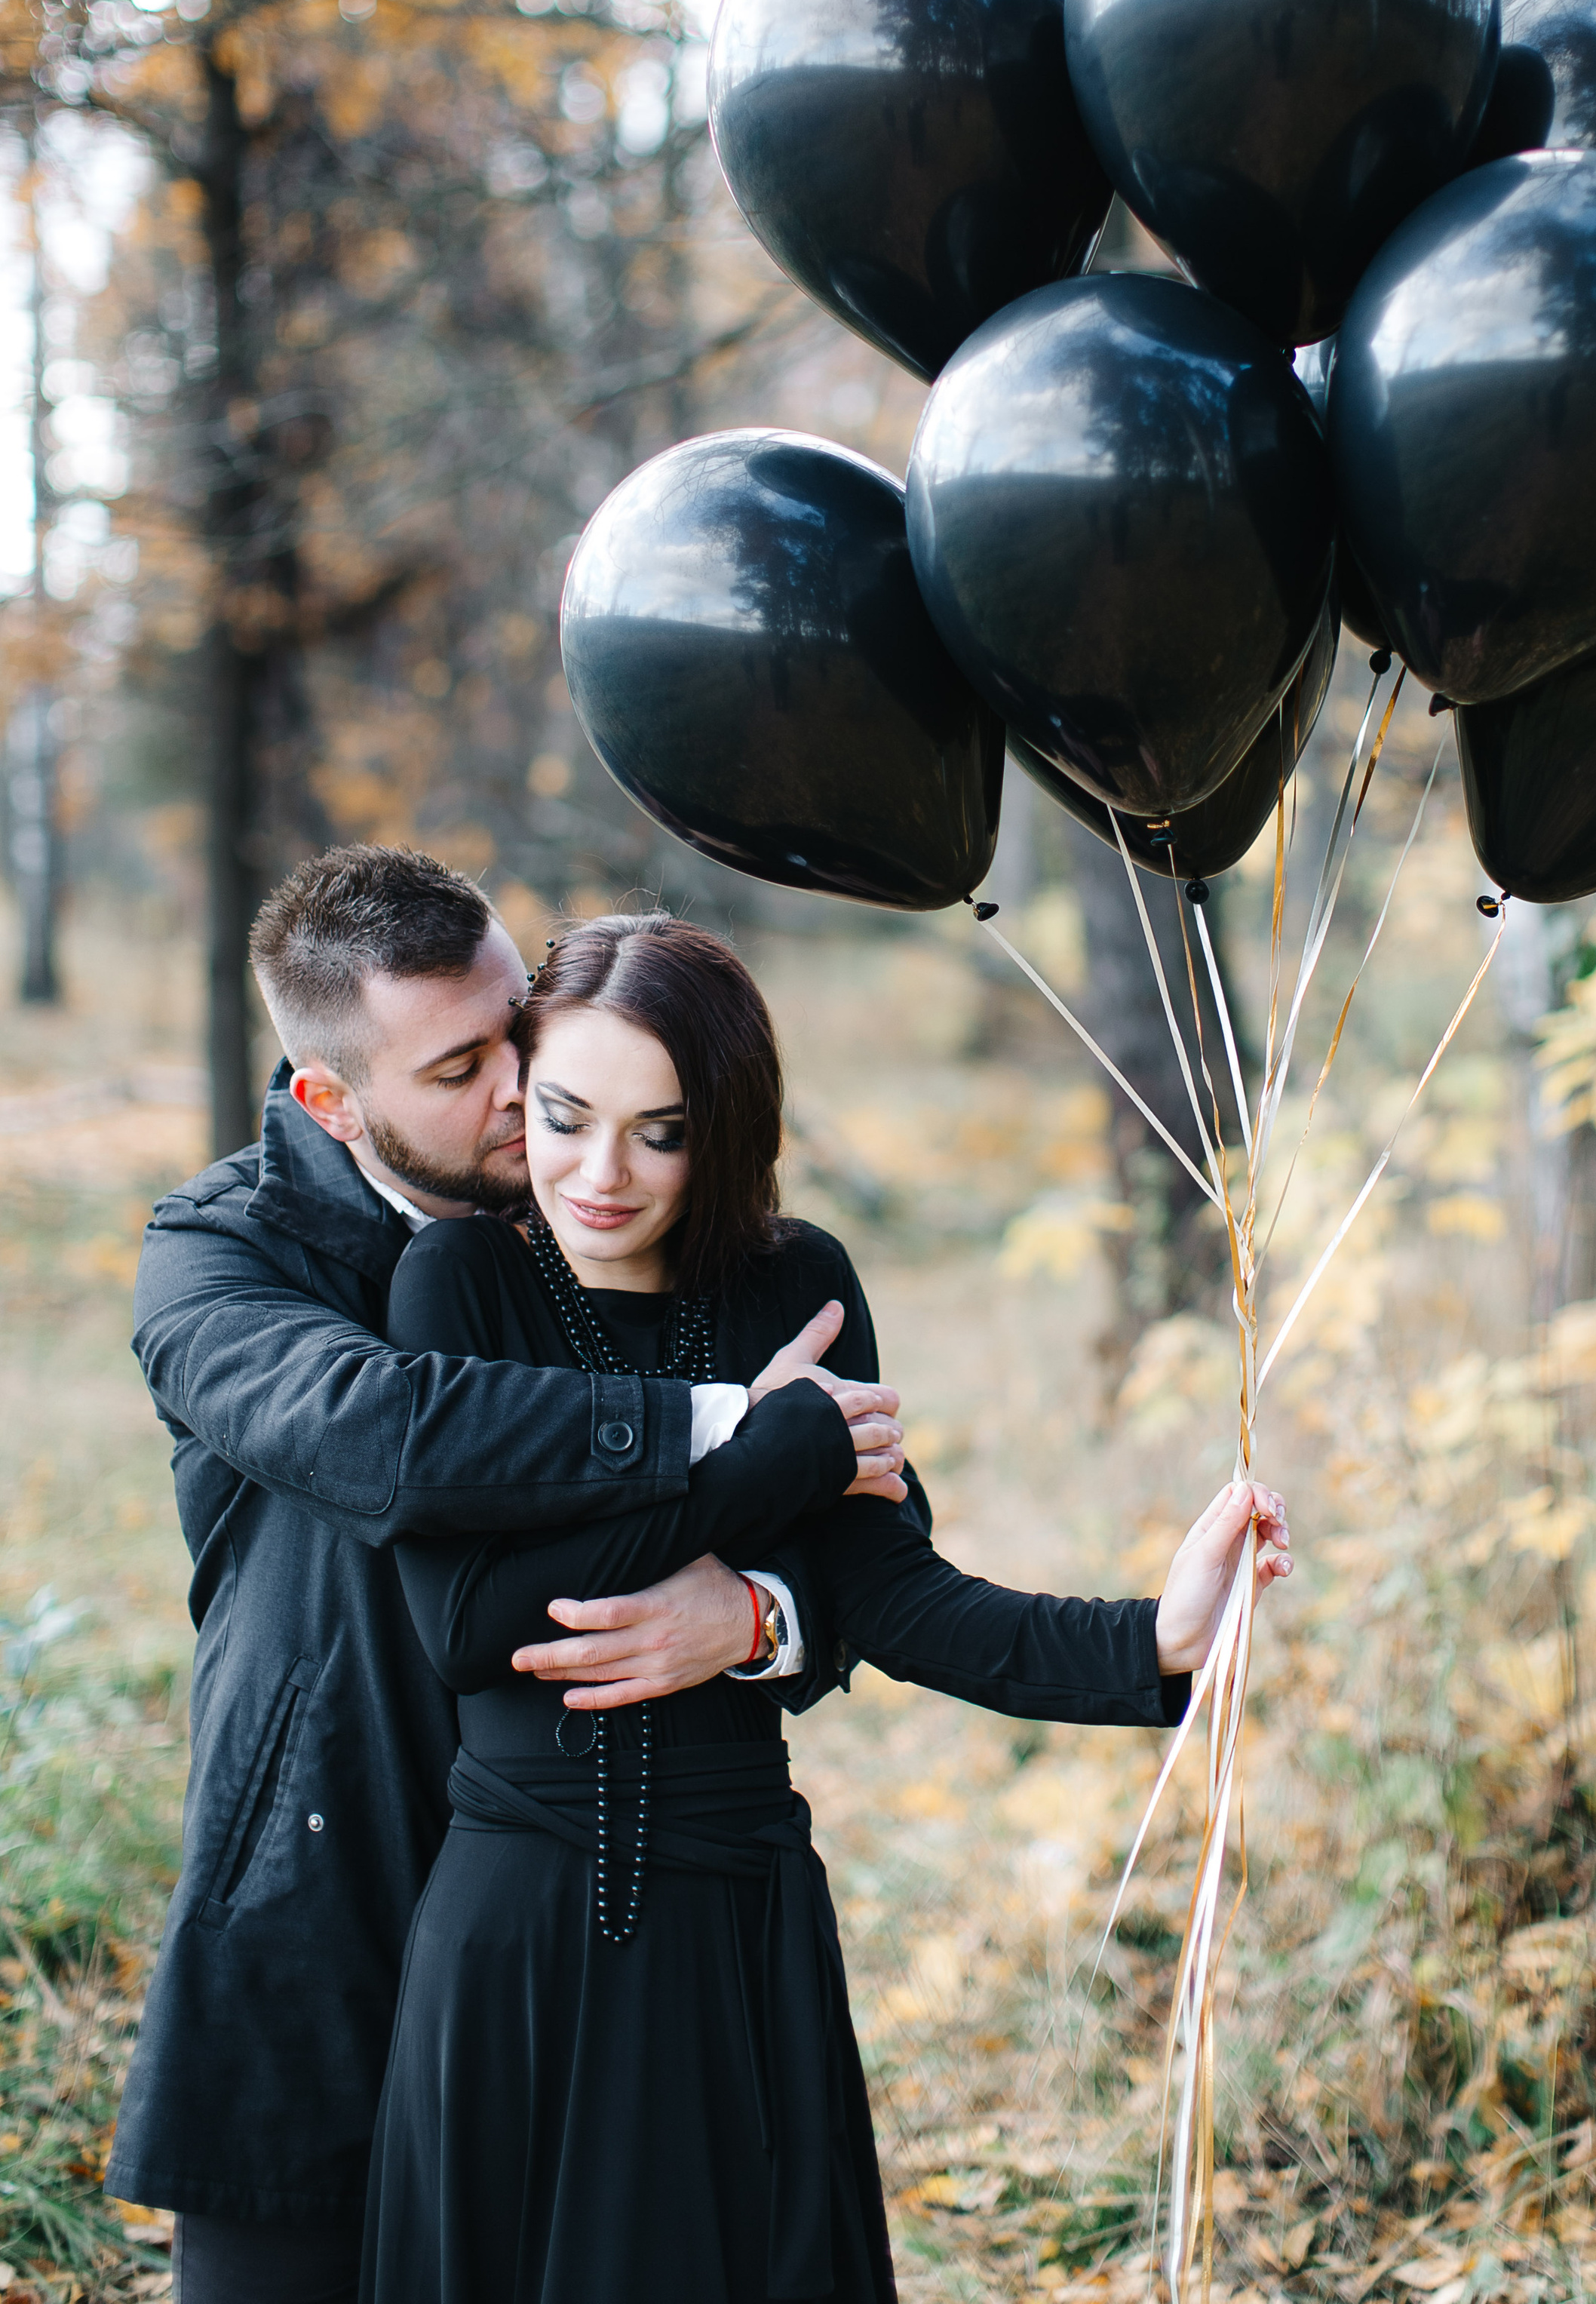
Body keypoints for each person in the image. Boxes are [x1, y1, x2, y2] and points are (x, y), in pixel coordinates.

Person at [361, 913, 1291, 2304]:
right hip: (522, 1940)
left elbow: (893, 1592)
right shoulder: (459, 1281)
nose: (600, 1175)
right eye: (564, 1117)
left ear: (723, 1131)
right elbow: (473, 1620)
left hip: (738, 1922)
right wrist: (770, 1459)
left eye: (659, 1134)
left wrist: (1153, 1637)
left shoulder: (798, 1285)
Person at [107, 847, 895, 2304]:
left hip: (582, 1926)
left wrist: (759, 1618)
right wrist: (733, 1425)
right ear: (330, 1102)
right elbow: (388, 1432)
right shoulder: (218, 1258)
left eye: (514, 1029)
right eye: (462, 1067)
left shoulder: (617, 1221)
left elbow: (867, 1555)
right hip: (329, 1901)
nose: (521, 1096)